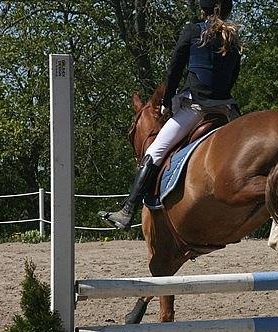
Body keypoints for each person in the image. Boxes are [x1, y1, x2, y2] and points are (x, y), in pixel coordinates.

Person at [100, 0, 241, 229]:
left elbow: (174, 67)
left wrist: (167, 102)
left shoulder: (193, 31)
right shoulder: (233, 38)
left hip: (196, 108)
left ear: (202, 10)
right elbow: (234, 75)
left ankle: (127, 211)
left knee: (155, 151)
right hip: (226, 109)